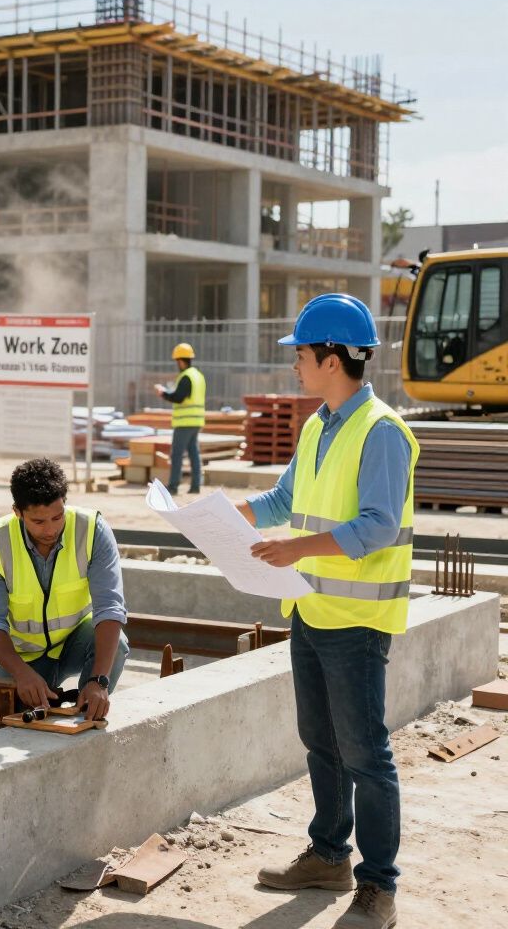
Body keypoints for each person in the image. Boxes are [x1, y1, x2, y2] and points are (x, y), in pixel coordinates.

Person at [237, 293, 417, 929]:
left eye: (303, 354)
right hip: (311, 611)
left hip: (358, 624)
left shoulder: (383, 432)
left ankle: (377, 886)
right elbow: (286, 497)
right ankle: (329, 855)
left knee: (366, 752)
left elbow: (375, 526)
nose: (295, 364)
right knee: (321, 741)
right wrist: (221, 517)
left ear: (334, 358)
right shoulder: (317, 424)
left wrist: (294, 548)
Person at [0, 457, 128, 719]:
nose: (51, 529)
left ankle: (86, 710)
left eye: (58, 517)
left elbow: (110, 607)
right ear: (17, 512)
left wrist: (99, 680)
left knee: (119, 645)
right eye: (38, 521)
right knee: (4, 717)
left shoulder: (92, 530)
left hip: (74, 643)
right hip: (24, 657)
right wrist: (21, 674)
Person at [154, 342, 206, 496]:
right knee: (194, 454)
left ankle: (173, 486)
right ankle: (196, 486)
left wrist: (163, 393)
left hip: (185, 422)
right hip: (196, 421)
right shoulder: (198, 376)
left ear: (180, 361)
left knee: (177, 454)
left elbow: (179, 398)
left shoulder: (186, 377)